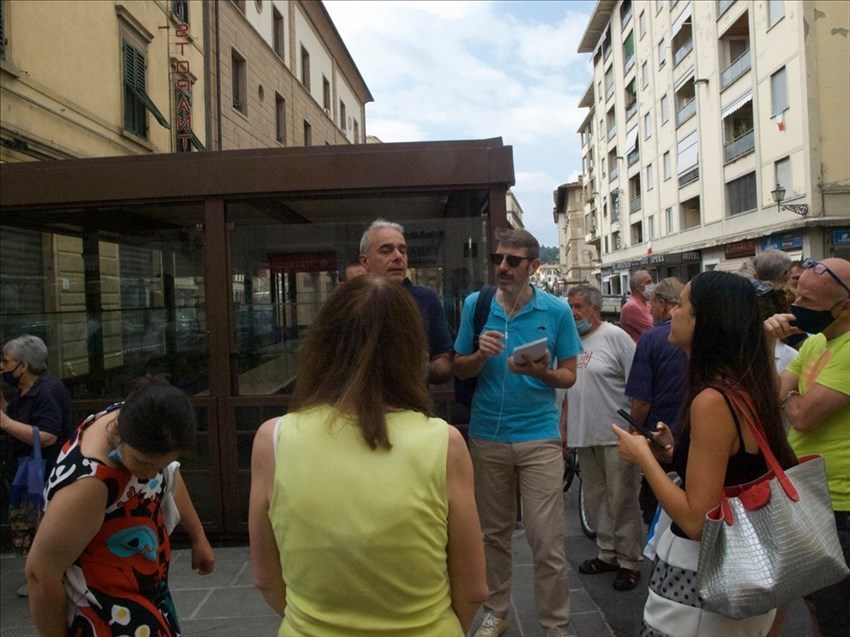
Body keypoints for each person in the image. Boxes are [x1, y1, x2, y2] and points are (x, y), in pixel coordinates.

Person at [249, 274, 487, 636]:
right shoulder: (445, 443)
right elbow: (472, 590)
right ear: (410, 350)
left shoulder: (273, 440)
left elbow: (267, 579)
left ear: (322, 344)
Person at [613, 271, 798, 636]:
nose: (671, 313)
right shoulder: (746, 383)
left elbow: (698, 521)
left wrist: (643, 457)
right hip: (736, 580)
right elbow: (734, 467)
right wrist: (672, 452)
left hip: (701, 587)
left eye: (681, 305)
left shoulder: (712, 400)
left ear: (704, 321)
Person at [454, 229, 581, 637]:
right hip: (488, 435)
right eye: (498, 259)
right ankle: (496, 611)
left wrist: (541, 372)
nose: (503, 267)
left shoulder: (556, 311)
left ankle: (555, 625)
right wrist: (479, 354)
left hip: (538, 436)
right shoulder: (478, 305)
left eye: (513, 261)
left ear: (533, 266)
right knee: (494, 535)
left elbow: (569, 377)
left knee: (548, 541)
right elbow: (459, 367)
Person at [25, 375, 215, 636]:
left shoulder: (137, 417)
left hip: (146, 590)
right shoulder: (90, 485)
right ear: (119, 434)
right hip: (106, 611)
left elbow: (170, 475)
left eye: (157, 465)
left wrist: (198, 535)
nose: (150, 474)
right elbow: (40, 574)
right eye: (143, 462)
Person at [764, 257, 849, 637]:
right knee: (817, 604)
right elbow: (769, 394)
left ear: (844, 307)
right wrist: (768, 344)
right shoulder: (816, 342)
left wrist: (792, 396)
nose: (796, 306)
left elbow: (802, 416)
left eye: (808, 301)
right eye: (796, 292)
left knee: (838, 614)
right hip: (811, 495)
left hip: (841, 504)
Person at [563, 284, 643, 591]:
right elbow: (569, 391)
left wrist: (635, 428)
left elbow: (636, 384)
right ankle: (607, 553)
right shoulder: (570, 342)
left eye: (579, 306)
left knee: (622, 499)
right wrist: (565, 428)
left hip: (615, 433)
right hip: (585, 434)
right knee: (596, 499)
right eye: (570, 306)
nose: (573, 312)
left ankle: (629, 561)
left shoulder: (616, 337)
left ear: (595, 309)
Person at [1, 334, 73, 570]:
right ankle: (38, 572)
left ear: (24, 366)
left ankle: (45, 574)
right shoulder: (25, 390)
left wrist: (5, 423)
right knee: (28, 526)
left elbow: (47, 435)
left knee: (42, 526)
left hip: (43, 472)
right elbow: (14, 418)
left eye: (6, 361)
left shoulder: (47, 390)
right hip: (24, 470)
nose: (2, 367)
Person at [624, 277, 689, 524]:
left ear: (662, 304)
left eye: (651, 304)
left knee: (656, 509)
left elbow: (641, 401)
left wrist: (633, 434)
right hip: (693, 438)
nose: (649, 309)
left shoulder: (651, 339)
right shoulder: (703, 335)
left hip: (658, 439)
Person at [359, 219, 454, 384]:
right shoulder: (352, 302)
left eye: (402, 250)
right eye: (386, 250)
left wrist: (421, 369)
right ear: (365, 261)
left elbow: (445, 362)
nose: (397, 257)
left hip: (412, 404)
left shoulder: (426, 299)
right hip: (360, 406)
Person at [619, 270, 654, 342]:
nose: (652, 285)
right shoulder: (632, 307)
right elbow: (653, 330)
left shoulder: (647, 304)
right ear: (638, 287)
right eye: (648, 282)